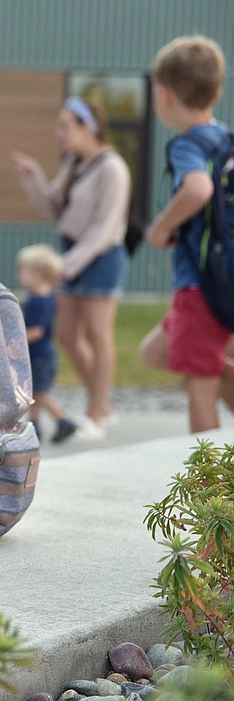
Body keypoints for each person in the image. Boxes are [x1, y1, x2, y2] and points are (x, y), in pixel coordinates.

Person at [13, 97, 131, 439]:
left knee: (98, 334)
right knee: (66, 335)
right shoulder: (73, 164)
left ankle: (96, 413)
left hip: (101, 257)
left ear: (86, 127)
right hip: (72, 255)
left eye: (65, 126)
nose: (58, 133)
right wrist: (32, 177)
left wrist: (65, 265)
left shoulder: (112, 168)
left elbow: (104, 228)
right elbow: (53, 208)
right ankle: (103, 405)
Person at [139, 35, 234, 433]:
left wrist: (160, 229)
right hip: (220, 278)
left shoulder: (186, 146)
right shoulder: (225, 139)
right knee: (154, 352)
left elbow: (197, 189)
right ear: (217, 90)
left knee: (200, 384)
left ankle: (208, 491)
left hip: (200, 284)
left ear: (163, 95)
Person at [17, 244, 78, 443]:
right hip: (43, 355)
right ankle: (34, 427)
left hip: (39, 356)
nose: (19, 274)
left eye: (22, 270)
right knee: (34, 392)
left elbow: (36, 331)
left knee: (38, 393)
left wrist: (15, 340)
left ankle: (64, 421)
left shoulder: (39, 301)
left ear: (37, 273)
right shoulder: (48, 297)